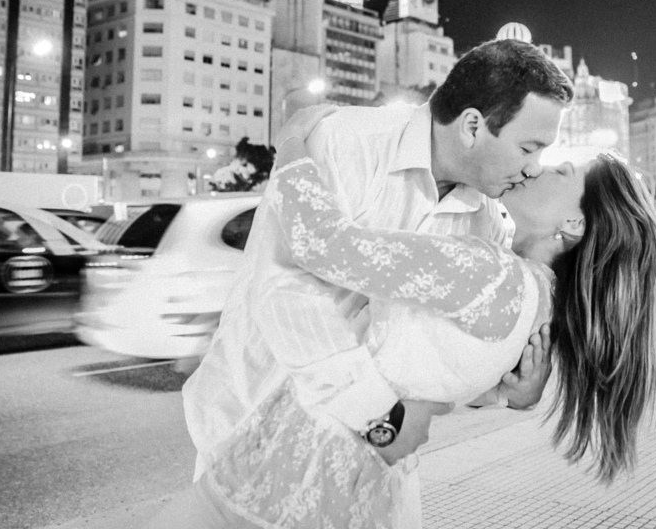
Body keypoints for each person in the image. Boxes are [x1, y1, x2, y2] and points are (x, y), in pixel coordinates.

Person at [152, 140, 656, 527]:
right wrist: (504, 395)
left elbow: (325, 246)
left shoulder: (494, 275)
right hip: (355, 487)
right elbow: (433, 366)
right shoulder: (537, 301)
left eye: (561, 171)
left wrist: (292, 150)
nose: (536, 167)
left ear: (573, 224)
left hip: (291, 467)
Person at [176, 39, 574, 527]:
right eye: (530, 147)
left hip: (364, 465)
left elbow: (436, 358)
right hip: (253, 432)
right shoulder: (348, 142)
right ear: (473, 126)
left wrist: (501, 389)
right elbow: (284, 294)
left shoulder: (485, 220)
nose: (535, 166)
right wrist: (380, 417)